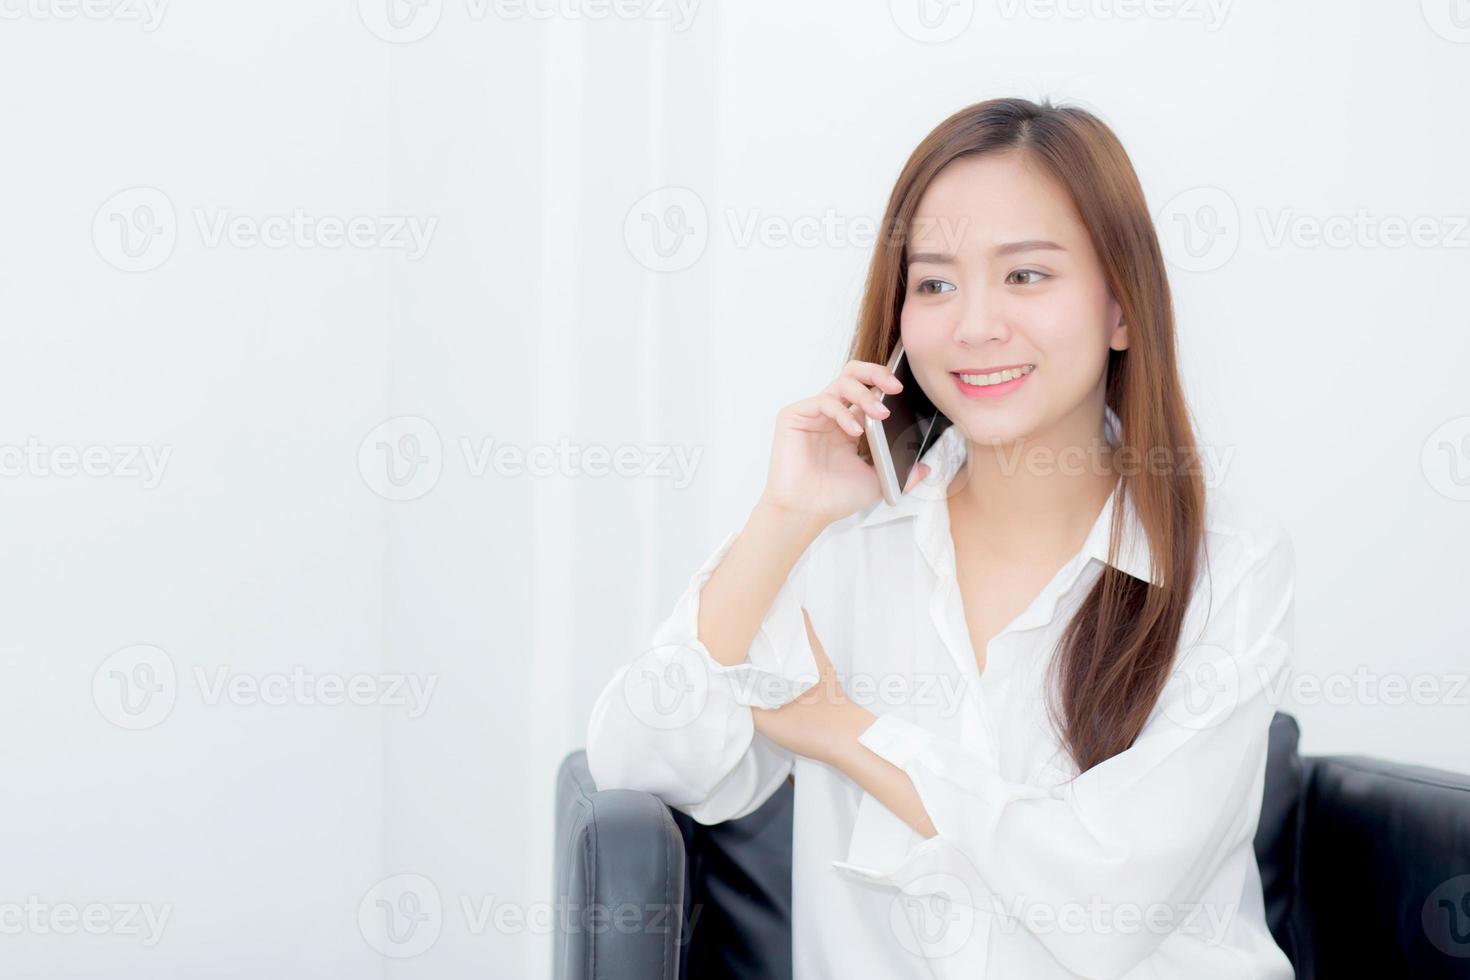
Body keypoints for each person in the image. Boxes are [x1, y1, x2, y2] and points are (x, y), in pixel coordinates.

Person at [585, 96, 1297, 980]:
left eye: (1026, 276)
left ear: (1121, 311)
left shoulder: (1227, 560)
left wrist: (846, 732)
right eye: (934, 283)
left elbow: (1111, 903)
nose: (974, 325)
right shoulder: (842, 544)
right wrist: (784, 519)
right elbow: (634, 760)